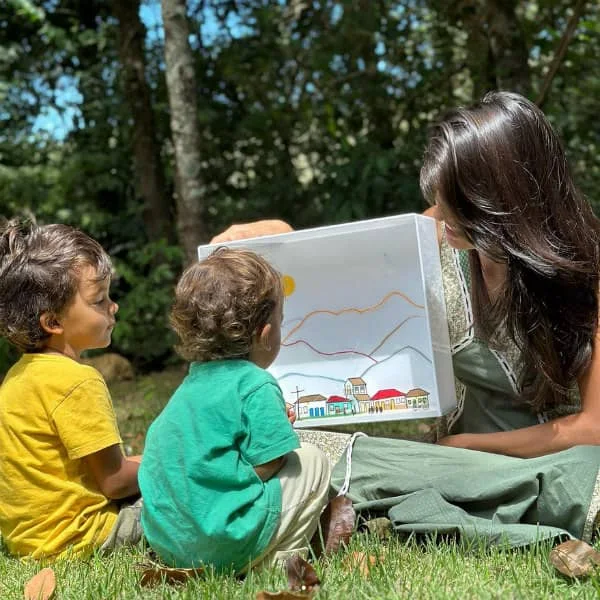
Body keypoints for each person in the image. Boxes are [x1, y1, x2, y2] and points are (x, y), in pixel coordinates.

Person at [210, 91, 600, 547]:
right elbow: (349, 277)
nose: (439, 209)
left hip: (552, 461)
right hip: (446, 463)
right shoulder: (440, 230)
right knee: (305, 447)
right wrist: (279, 241)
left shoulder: (586, 275)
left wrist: (472, 446)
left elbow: (592, 427)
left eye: (457, 201)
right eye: (438, 194)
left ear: (504, 202)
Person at [138, 248, 332, 573]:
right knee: (312, 461)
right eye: (279, 322)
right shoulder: (256, 383)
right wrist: (277, 443)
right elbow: (271, 461)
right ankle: (279, 558)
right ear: (265, 333)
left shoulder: (190, 386)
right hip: (224, 542)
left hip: (173, 547)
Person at [0, 219, 142, 560]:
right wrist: (173, 460)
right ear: (54, 323)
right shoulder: (77, 380)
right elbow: (116, 483)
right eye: (99, 300)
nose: (114, 306)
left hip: (34, 544)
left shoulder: (18, 378)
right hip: (90, 537)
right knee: (195, 488)